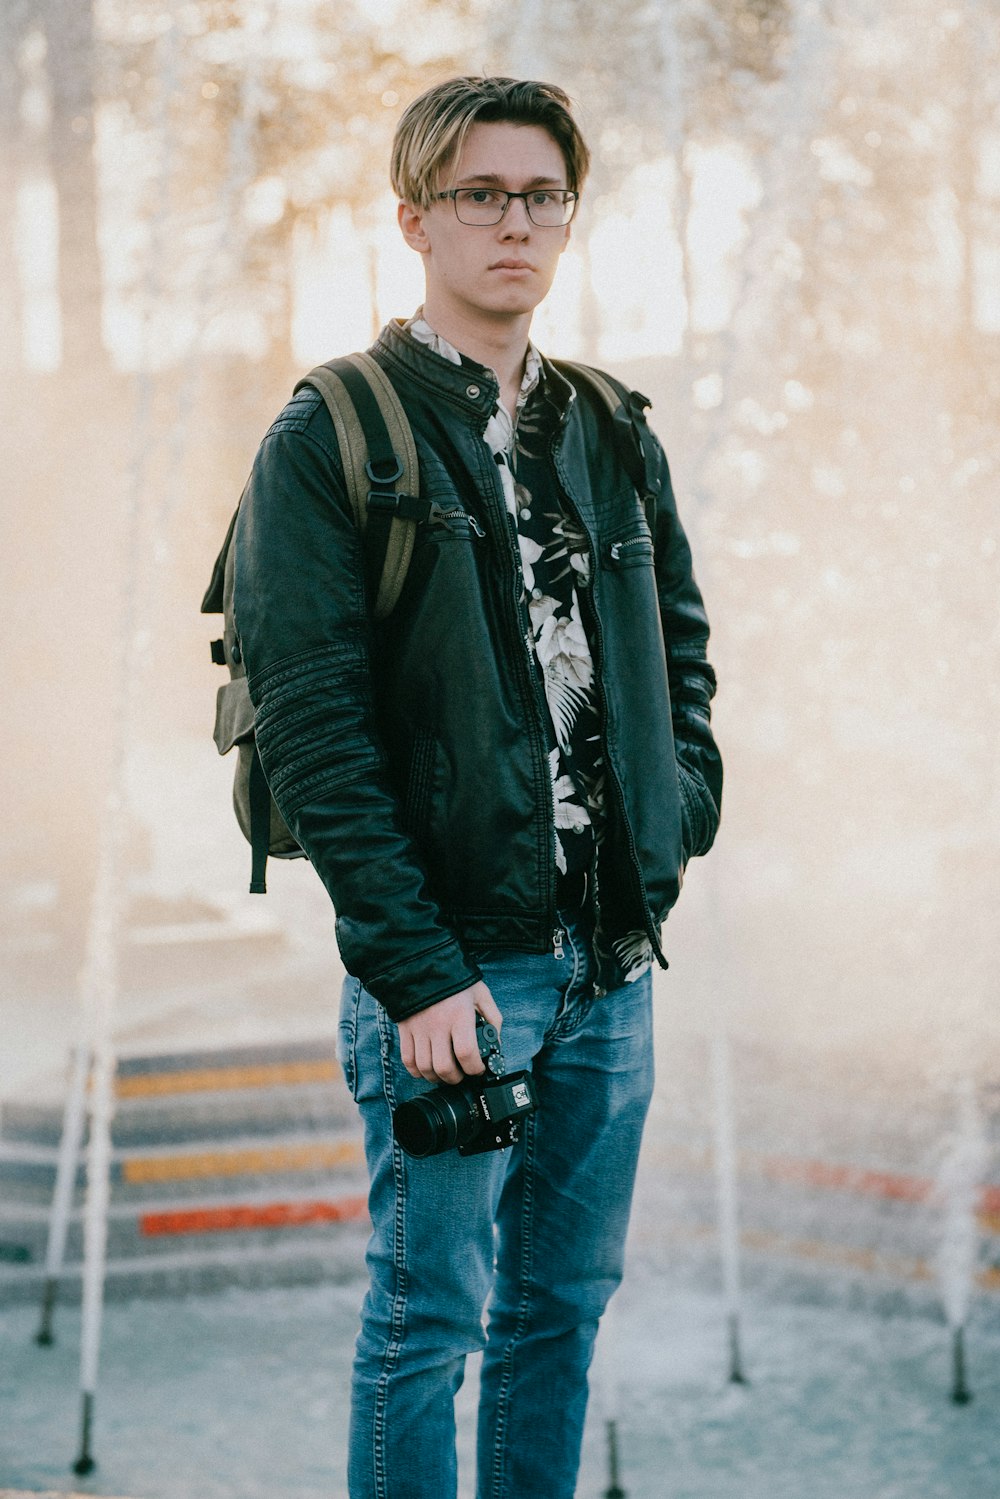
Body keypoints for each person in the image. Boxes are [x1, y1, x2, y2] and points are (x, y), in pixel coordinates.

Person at [233, 74, 722, 1499]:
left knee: (558, 1316)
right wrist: (416, 972)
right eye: (481, 195)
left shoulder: (612, 426)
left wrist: (677, 816)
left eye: (542, 196)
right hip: (455, 976)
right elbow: (316, 736)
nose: (516, 223)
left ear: (570, 217)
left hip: (609, 965)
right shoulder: (334, 435)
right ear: (415, 219)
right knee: (425, 1324)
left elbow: (683, 655)